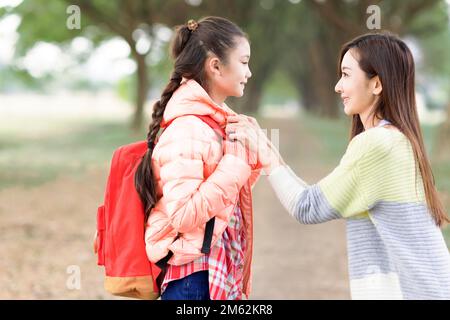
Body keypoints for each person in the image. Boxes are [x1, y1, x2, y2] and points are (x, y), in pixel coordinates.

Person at [226, 32, 450, 299]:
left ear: (376, 84)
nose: (337, 86)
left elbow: (306, 206)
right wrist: (266, 146)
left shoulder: (375, 145)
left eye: (346, 74)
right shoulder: (398, 140)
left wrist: (263, 150)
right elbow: (313, 196)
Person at [135, 16, 261, 300]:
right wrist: (237, 162)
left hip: (212, 270)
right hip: (191, 279)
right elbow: (182, 215)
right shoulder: (188, 129)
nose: (249, 72)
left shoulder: (214, 124)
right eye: (243, 62)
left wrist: (246, 154)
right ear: (215, 66)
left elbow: (222, 202)